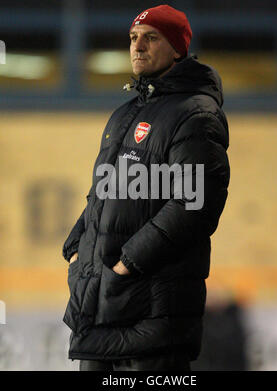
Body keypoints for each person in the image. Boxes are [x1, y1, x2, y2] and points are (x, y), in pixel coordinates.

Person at [62, 4, 230, 371]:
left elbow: (193, 204)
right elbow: (102, 195)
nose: (138, 46)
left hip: (153, 316)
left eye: (151, 38)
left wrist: (126, 265)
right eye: (133, 38)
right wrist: (75, 250)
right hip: (97, 311)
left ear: (177, 48)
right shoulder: (124, 114)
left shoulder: (195, 112)